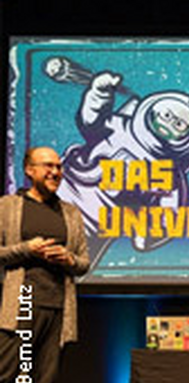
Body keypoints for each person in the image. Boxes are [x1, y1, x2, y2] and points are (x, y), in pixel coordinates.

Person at [0, 147, 89, 383]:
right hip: (23, 301)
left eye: (58, 167)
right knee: (11, 374)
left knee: (46, 378)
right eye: (48, 166)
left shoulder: (71, 213)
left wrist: (68, 258)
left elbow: (83, 262)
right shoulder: (8, 206)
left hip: (59, 305)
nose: (55, 172)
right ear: (29, 170)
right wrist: (27, 249)